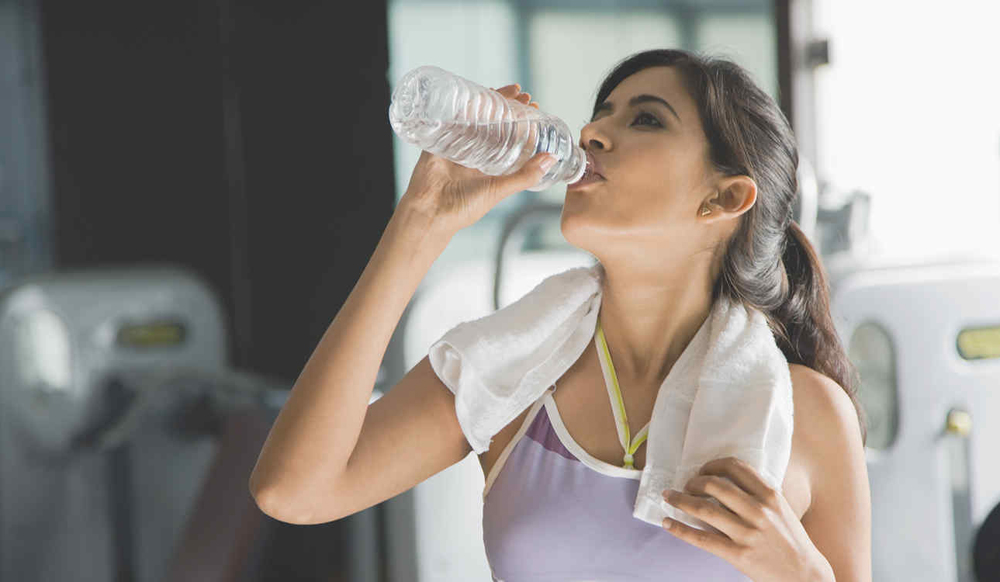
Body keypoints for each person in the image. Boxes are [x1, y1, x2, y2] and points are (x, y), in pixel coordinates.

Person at [249, 48, 872, 581]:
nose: (592, 135)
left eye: (646, 120)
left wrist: (804, 574)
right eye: (599, 115)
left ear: (724, 196)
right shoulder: (515, 378)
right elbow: (294, 491)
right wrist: (421, 221)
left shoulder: (808, 415)